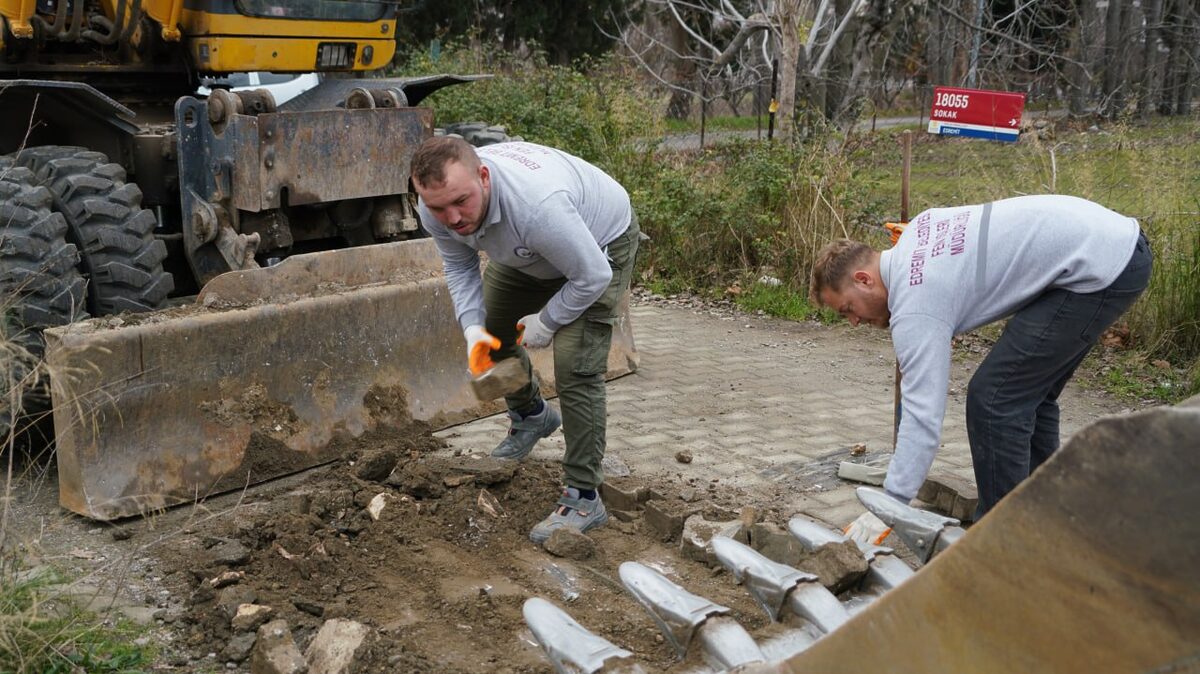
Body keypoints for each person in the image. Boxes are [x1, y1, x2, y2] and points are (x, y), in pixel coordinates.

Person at [811, 195, 1152, 537]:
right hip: (1111, 243)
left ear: (864, 279)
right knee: (1027, 396)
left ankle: (999, 541)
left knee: (995, 399)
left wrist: (889, 506)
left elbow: (922, 416)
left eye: (847, 309)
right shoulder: (915, 233)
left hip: (1102, 266)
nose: (853, 321)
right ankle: (1048, 517)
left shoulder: (916, 304)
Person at [409, 137, 639, 545]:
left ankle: (584, 497)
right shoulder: (436, 210)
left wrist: (548, 321)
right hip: (533, 250)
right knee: (496, 334)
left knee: (575, 366)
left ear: (484, 177)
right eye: (439, 208)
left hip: (599, 245)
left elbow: (593, 277)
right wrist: (472, 332)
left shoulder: (536, 207)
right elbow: (460, 267)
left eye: (461, 201)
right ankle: (532, 414)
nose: (454, 217)